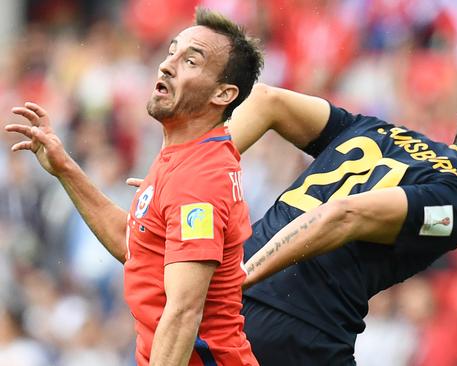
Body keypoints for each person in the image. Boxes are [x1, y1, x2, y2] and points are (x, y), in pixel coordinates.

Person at [223, 84, 457, 365]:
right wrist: (246, 275)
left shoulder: (376, 131)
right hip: (300, 333)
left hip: (232, 304)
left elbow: (267, 101)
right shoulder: (456, 206)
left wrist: (180, 181)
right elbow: (344, 215)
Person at [5, 8, 263, 366]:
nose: (167, 65)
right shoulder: (183, 153)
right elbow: (135, 244)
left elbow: (184, 313)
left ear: (222, 94)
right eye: (172, 51)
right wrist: (65, 168)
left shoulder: (198, 179)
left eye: (191, 60)